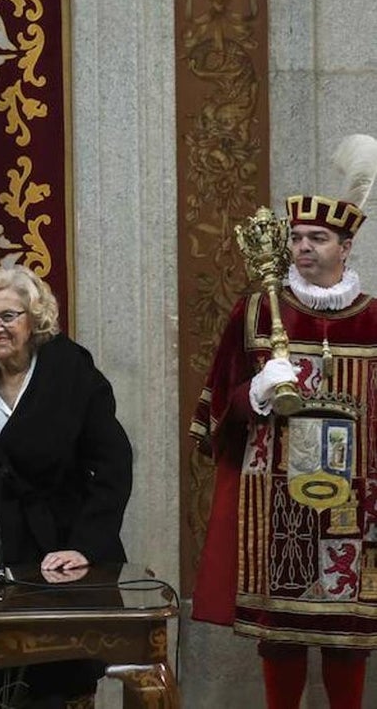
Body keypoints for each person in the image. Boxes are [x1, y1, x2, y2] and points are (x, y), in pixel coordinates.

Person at [191, 135, 377, 709]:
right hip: (275, 501)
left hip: (357, 499)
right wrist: (259, 392)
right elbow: (217, 413)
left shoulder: (372, 320)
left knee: (349, 635)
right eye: (296, 237)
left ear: (347, 247)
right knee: (280, 637)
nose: (302, 248)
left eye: (317, 238)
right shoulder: (255, 314)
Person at [0, 264, 133, 708]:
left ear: (35, 319)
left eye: (8, 316)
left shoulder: (74, 373)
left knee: (55, 685)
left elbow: (112, 466)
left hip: (60, 556)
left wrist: (86, 547)